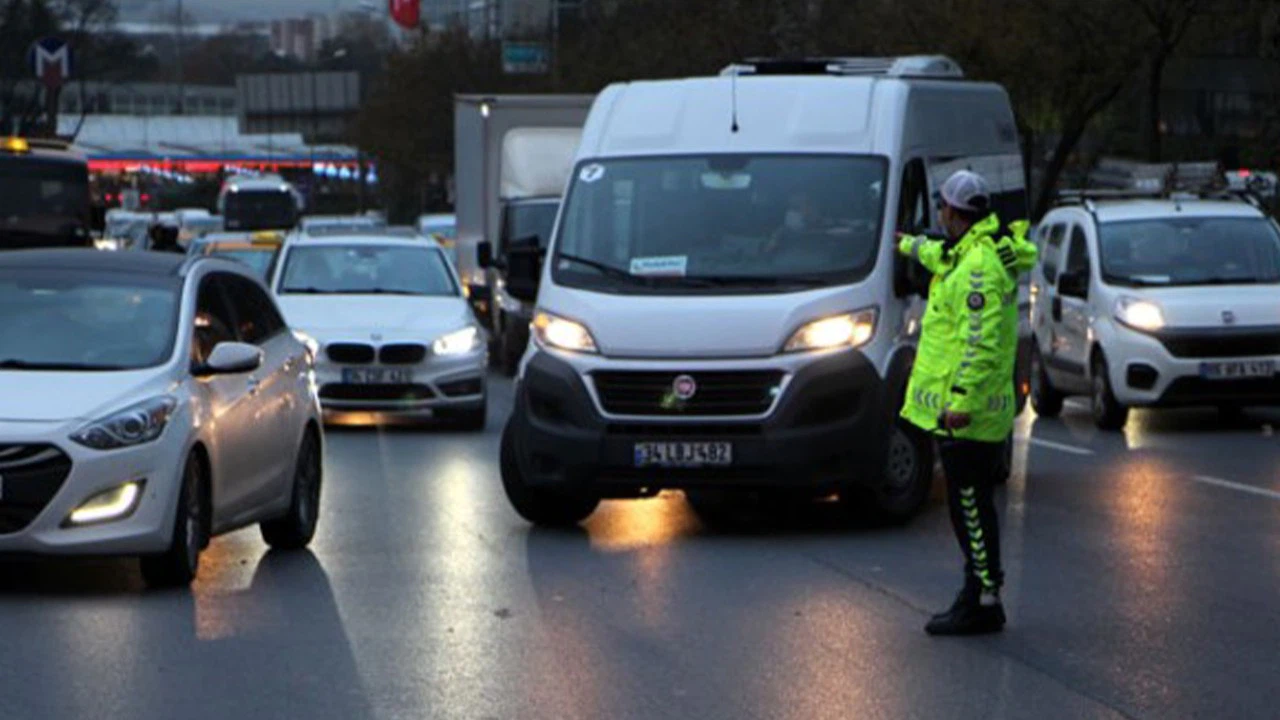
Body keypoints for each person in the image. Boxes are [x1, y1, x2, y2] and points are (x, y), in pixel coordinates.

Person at [897, 170, 1030, 636]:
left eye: (941, 209)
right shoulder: (970, 250)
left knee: (970, 507)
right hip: (969, 413)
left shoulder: (978, 268)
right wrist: (907, 244)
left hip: (968, 415)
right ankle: (979, 593)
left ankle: (983, 599)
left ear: (952, 213)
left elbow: (981, 344)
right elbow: (938, 254)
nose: (939, 216)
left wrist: (959, 400)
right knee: (968, 505)